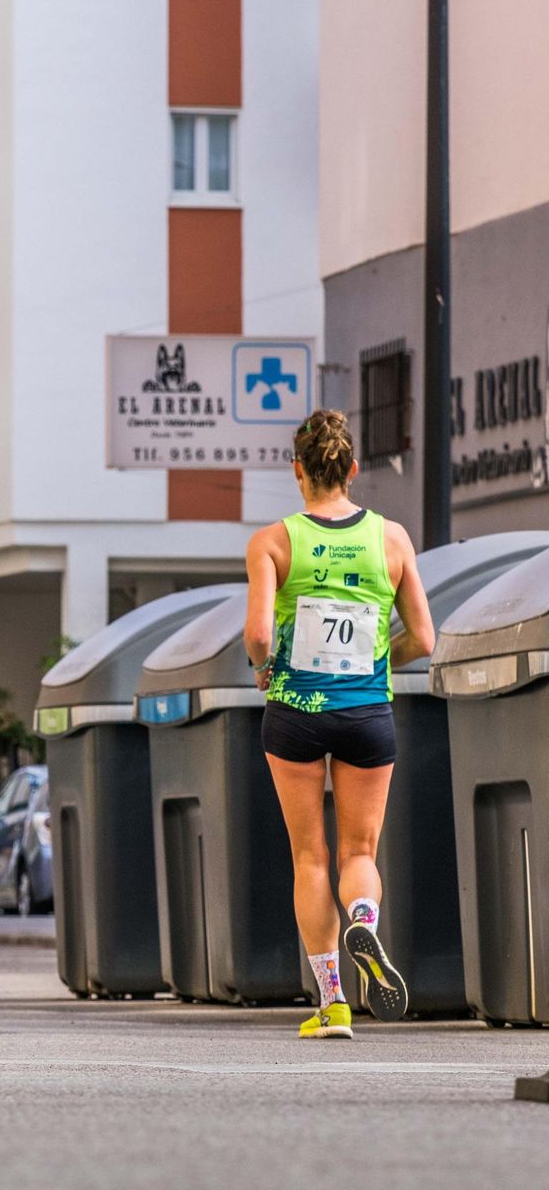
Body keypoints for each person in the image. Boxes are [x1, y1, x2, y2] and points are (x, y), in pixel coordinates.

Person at [244, 409, 434, 1040]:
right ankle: (363, 918)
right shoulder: (393, 539)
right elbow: (424, 639)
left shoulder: (273, 541)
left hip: (295, 715)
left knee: (309, 857)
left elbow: (257, 634)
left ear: (297, 470)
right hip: (367, 714)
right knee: (359, 851)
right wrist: (380, 658)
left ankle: (333, 1005)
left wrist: (264, 669)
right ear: (352, 470)